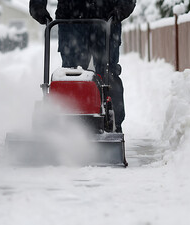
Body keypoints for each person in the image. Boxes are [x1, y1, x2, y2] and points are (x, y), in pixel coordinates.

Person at [29, 0, 135, 133]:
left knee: (109, 74)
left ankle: (113, 126)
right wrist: (38, 7)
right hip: (71, 19)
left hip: (107, 18)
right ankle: (67, 124)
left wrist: (122, 9)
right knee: (71, 76)